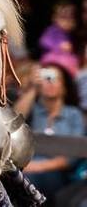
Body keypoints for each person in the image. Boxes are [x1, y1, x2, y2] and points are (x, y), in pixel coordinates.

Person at [15, 56, 86, 201]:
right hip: (29, 177)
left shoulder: (74, 114)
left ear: (64, 87)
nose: (50, 83)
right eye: (46, 77)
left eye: (54, 78)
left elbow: (74, 155)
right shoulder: (32, 111)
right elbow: (15, 119)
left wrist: (38, 167)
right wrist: (33, 89)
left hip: (60, 179)